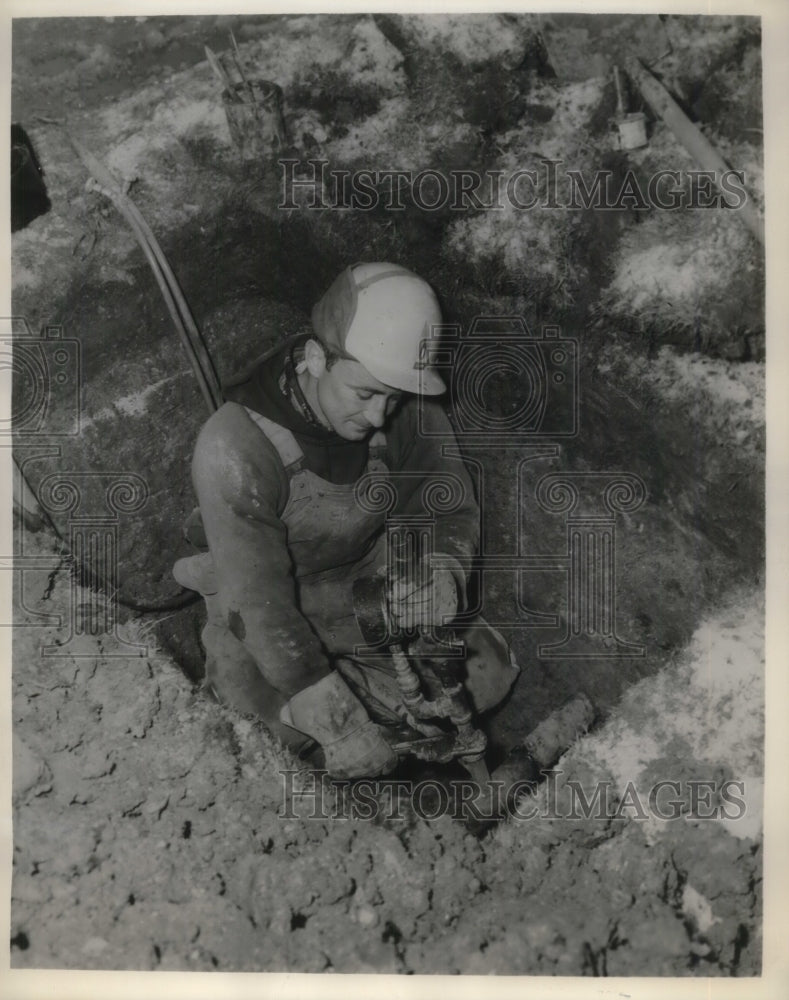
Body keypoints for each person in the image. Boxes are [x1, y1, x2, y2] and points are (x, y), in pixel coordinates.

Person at [173, 262, 520, 780]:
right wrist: (325, 709)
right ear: (317, 358)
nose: (380, 416)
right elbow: (257, 600)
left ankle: (397, 737)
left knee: (485, 675)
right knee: (255, 747)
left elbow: (446, 505)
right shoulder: (236, 447)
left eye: (395, 397)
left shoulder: (406, 409)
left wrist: (442, 566)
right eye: (364, 394)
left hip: (366, 591)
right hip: (265, 610)